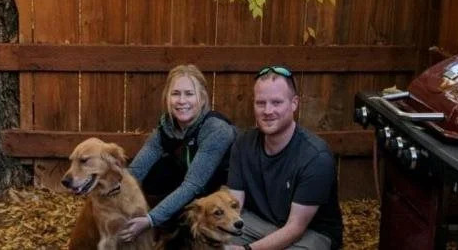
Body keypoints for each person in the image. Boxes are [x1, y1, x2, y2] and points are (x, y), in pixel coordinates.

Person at [226, 66, 343, 250]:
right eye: (260, 103)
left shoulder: (315, 157)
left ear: (294, 103)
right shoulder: (243, 144)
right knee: (208, 239)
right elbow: (234, 206)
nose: (267, 110)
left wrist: (247, 249)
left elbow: (295, 228)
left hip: (309, 233)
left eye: (276, 102)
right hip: (257, 223)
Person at [118, 64, 237, 243]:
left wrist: (150, 219)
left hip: (220, 194)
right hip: (193, 189)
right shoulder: (167, 127)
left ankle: (177, 228)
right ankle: (167, 229)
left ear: (202, 99)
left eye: (189, 94)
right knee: (157, 172)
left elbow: (192, 185)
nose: (181, 100)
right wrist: (111, 194)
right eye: (175, 93)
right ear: (167, 97)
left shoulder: (217, 129)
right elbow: (135, 171)